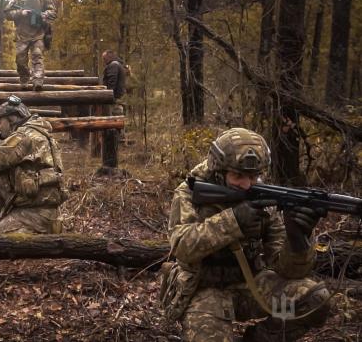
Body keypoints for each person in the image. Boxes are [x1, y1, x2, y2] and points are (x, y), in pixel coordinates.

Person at [160, 128, 330, 341]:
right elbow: (182, 246)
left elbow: (284, 268)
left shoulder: (262, 197)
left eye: (253, 176)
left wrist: (298, 240)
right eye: (238, 176)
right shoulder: (190, 192)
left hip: (251, 290)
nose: (247, 184)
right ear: (218, 171)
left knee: (314, 299)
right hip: (204, 292)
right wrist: (234, 220)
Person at [0, 96, 68, 235]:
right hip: (46, 212)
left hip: (35, 216)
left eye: (0, 122)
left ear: (12, 118)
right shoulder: (39, 133)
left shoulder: (23, 136)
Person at [4, 0, 57, 91]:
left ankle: (38, 81)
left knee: (38, 58)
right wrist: (20, 13)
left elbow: (53, 12)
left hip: (38, 35)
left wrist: (43, 15)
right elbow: (7, 13)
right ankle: (24, 77)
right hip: (22, 37)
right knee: (20, 61)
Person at [101, 50, 127, 116]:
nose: (103, 61)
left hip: (115, 98)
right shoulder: (117, 65)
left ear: (108, 57)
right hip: (117, 97)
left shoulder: (113, 65)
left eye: (104, 58)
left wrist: (108, 95)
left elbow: (112, 82)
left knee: (116, 118)